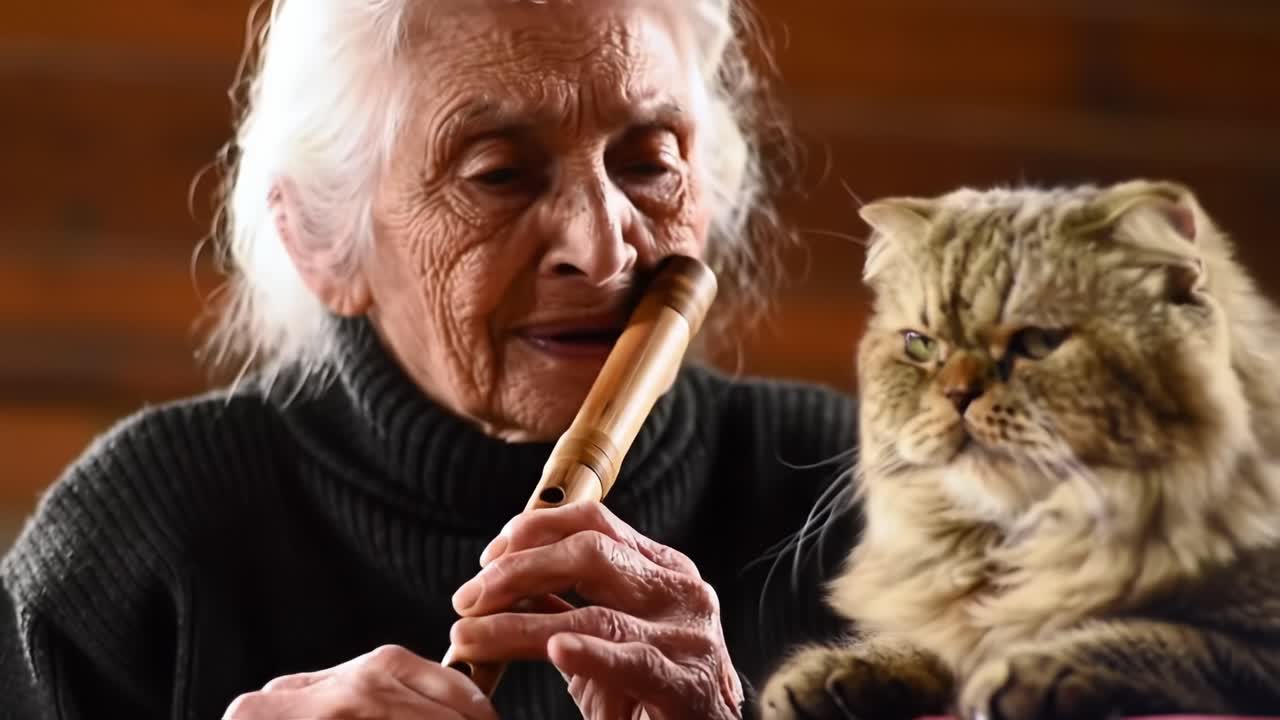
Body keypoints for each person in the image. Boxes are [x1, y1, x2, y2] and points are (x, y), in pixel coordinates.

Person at [0, 0, 860, 718]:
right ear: (321, 242)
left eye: (649, 163)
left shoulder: (867, 497)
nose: (602, 252)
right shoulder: (140, 537)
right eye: (499, 175)